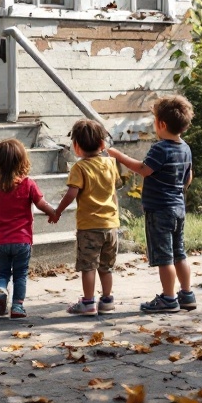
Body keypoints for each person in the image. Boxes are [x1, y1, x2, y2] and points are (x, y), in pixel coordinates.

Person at [109, 95, 195, 313]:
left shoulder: (160, 148)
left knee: (164, 257)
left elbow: (143, 169)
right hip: (178, 208)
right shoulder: (185, 148)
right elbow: (188, 178)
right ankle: (187, 294)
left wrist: (119, 155)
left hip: (159, 210)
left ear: (162, 124)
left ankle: (168, 298)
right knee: (179, 253)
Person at [51, 119, 119, 316]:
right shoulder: (109, 164)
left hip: (89, 226)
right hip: (111, 224)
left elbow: (71, 194)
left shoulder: (79, 168)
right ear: (102, 144)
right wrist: (115, 211)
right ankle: (107, 300)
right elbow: (112, 192)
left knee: (88, 266)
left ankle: (88, 302)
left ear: (76, 147)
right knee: (106, 266)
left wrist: (58, 211)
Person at [0, 138, 56, 319]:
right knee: (20, 274)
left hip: (0, 241)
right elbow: (41, 203)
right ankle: (17, 307)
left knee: (2, 272)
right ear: (22, 161)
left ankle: (1, 289)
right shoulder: (28, 184)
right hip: (22, 240)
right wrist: (53, 213)